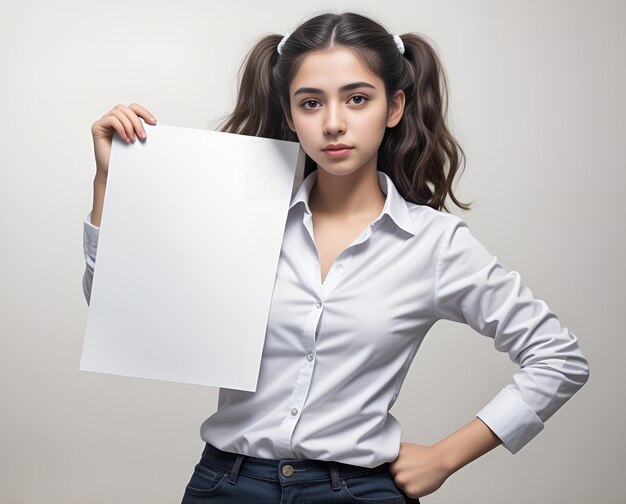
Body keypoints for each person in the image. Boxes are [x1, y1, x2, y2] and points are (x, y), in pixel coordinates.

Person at [82, 12, 589, 503]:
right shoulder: (242, 217)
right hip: (226, 485)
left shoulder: (435, 244)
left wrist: (446, 457)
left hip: (356, 489)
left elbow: (558, 358)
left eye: (357, 99)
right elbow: (119, 310)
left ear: (393, 108)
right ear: (289, 113)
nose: (333, 123)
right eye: (310, 103)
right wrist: (110, 180)